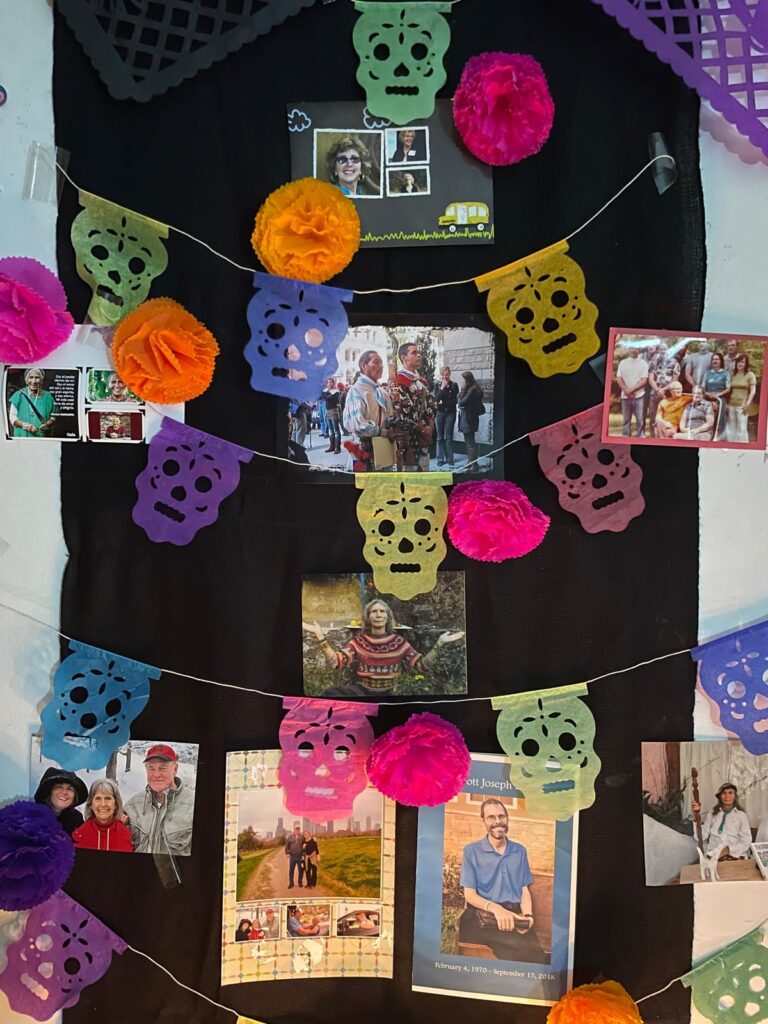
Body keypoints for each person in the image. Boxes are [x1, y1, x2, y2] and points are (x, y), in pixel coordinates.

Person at [303, 597, 465, 697]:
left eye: (382, 611)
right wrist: (319, 636)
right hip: (362, 692)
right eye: (374, 611)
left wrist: (440, 643)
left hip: (391, 693)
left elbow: (421, 666)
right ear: (368, 617)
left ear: (388, 617)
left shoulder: (399, 642)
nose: (379, 614)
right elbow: (336, 663)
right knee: (330, 693)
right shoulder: (358, 642)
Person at [457, 798, 547, 963]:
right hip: (485, 918)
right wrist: (496, 909)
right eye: (491, 817)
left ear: (507, 818)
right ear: (483, 820)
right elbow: (469, 895)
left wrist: (528, 916)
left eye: (501, 816)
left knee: (539, 957)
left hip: (515, 916)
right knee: (517, 955)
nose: (497, 821)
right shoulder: (471, 851)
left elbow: (523, 889)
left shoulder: (519, 851)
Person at [124, 744, 195, 856]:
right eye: (151, 768)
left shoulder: (193, 806)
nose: (156, 774)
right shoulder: (132, 806)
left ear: (175, 769)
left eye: (162, 768)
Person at [342, 350, 395, 471]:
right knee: (362, 486)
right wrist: (383, 432)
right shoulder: (356, 391)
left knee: (385, 486)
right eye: (376, 362)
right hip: (363, 451)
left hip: (384, 451)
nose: (380, 366)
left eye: (381, 363)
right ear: (363, 365)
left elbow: (390, 417)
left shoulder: (382, 392)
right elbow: (356, 424)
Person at [388, 342, 435, 471]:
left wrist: (430, 425)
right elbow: (401, 410)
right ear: (404, 358)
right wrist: (421, 427)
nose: (419, 355)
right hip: (407, 439)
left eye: (419, 352)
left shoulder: (422, 381)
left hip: (424, 437)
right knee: (410, 476)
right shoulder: (398, 382)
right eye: (414, 353)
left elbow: (430, 404)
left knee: (424, 473)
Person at [692, 782, 752, 860]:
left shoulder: (741, 815)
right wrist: (696, 815)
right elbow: (701, 836)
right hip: (713, 854)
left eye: (730, 793)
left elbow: (746, 841)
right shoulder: (712, 813)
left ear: (735, 796)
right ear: (720, 796)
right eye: (724, 793)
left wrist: (728, 850)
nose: (727, 796)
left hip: (735, 855)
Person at [72, 779, 134, 852]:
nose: (103, 804)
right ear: (91, 804)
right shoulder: (80, 834)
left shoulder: (127, 835)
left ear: (116, 804)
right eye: (98, 798)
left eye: (108, 798)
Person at [34, 767, 87, 836]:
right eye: (59, 787)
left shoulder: (77, 819)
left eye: (69, 788)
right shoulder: (32, 816)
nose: (64, 792)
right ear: (50, 792)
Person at [9, 368, 58, 438]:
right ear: (26, 380)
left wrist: (47, 424)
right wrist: (26, 426)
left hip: (41, 437)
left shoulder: (48, 396)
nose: (34, 381)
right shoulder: (19, 395)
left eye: (37, 377)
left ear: (41, 380)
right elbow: (12, 417)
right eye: (31, 377)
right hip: (21, 437)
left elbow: (54, 416)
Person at [647, 341, 681, 437]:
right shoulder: (653, 362)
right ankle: (653, 438)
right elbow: (650, 378)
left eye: (665, 349)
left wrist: (664, 390)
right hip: (655, 393)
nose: (663, 351)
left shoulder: (675, 362)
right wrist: (658, 390)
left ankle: (665, 438)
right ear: (658, 350)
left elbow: (675, 379)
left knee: (667, 417)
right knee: (653, 417)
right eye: (661, 349)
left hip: (669, 394)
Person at [616, 347, 649, 437]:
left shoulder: (643, 363)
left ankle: (640, 436)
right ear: (628, 349)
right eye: (632, 348)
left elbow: (644, 380)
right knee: (626, 420)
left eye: (636, 349)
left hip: (639, 396)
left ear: (639, 350)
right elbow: (619, 378)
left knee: (640, 419)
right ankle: (625, 436)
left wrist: (632, 389)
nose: (634, 350)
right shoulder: (623, 363)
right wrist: (626, 390)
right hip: (625, 396)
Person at [726, 353, 757, 443]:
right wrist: (727, 404)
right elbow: (730, 390)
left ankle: (743, 448)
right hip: (731, 405)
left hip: (742, 406)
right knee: (731, 428)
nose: (740, 364)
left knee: (741, 428)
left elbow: (753, 391)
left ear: (746, 364)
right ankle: (731, 447)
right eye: (739, 362)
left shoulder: (750, 375)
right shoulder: (733, 375)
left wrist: (747, 404)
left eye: (743, 362)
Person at [457, 370, 484, 469]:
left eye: (462, 379)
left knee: (470, 441)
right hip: (469, 418)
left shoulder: (472, 390)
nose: (461, 381)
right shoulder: (472, 388)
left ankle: (474, 465)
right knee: (469, 441)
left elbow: (461, 402)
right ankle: (471, 462)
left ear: (467, 380)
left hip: (469, 419)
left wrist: (460, 394)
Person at [433, 366, 459, 466]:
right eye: (443, 374)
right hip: (440, 413)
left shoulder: (454, 385)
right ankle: (440, 459)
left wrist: (443, 403)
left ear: (449, 374)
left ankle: (450, 459)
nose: (445, 376)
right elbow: (436, 399)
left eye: (447, 374)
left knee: (449, 437)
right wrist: (442, 388)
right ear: (441, 375)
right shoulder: (437, 385)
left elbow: (455, 400)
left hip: (450, 413)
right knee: (439, 437)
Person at [703, 351, 731, 439]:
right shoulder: (707, 373)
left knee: (720, 409)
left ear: (721, 361)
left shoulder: (725, 373)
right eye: (713, 359)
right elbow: (703, 387)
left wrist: (718, 395)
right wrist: (707, 393)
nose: (715, 361)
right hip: (708, 397)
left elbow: (728, 388)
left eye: (717, 359)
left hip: (720, 397)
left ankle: (718, 434)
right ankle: (706, 433)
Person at [321, 378, 342, 454]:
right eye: (328, 382)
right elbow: (323, 396)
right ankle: (332, 446)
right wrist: (327, 393)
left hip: (334, 410)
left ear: (333, 383)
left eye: (331, 382)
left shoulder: (336, 391)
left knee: (336, 430)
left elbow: (328, 399)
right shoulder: (326, 391)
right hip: (327, 411)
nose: (329, 384)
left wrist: (326, 393)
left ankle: (338, 447)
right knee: (331, 430)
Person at [285, 825, 306, 889]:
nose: (297, 830)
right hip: (292, 857)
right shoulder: (289, 837)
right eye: (296, 829)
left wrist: (314, 839)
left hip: (300, 857)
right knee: (291, 870)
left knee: (301, 870)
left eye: (298, 829)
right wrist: (287, 853)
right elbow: (287, 846)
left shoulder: (302, 837)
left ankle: (300, 882)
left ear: (300, 830)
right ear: (294, 830)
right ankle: (291, 883)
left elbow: (307, 840)